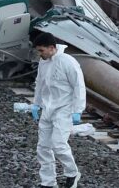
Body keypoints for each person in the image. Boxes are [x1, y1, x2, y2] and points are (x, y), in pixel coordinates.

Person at [31, 33, 86, 188]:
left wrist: (78, 110)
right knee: (43, 147)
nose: (39, 54)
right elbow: (40, 83)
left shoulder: (68, 62)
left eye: (41, 50)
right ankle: (48, 182)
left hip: (65, 109)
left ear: (52, 48)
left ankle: (72, 174)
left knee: (59, 144)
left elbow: (79, 86)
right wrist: (36, 103)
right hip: (48, 108)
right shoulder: (44, 62)